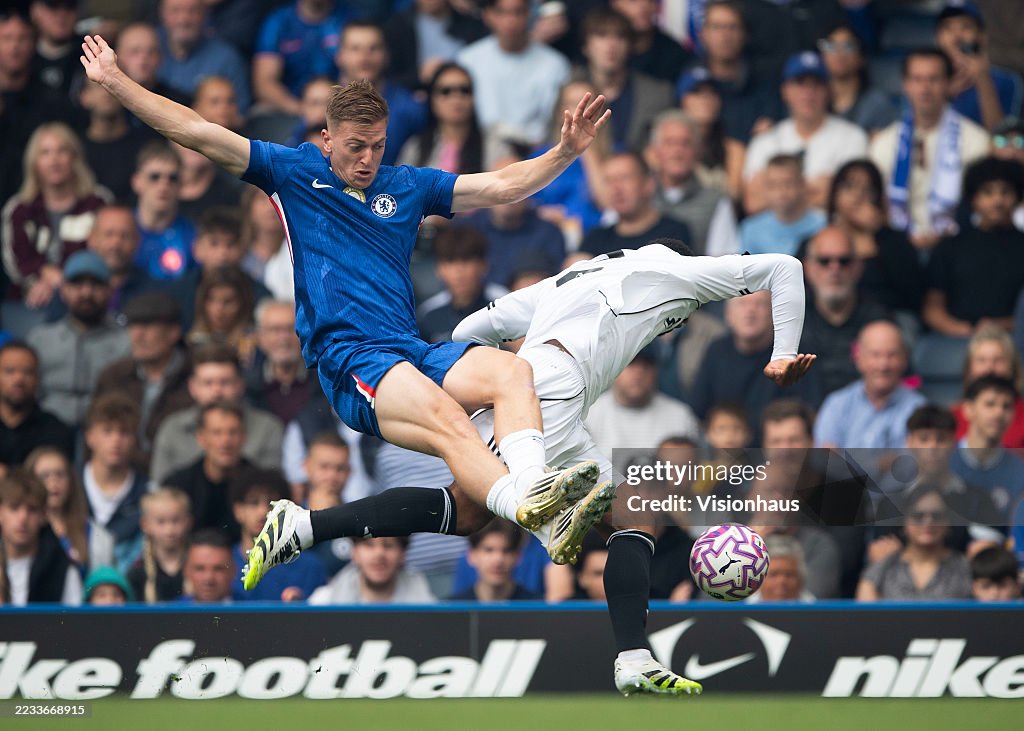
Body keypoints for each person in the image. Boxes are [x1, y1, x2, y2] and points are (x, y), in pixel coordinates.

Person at [82, 30, 611, 538]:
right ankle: (532, 510)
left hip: (410, 350)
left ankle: (537, 490)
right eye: (356, 146)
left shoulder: (408, 185)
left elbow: (500, 185)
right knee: (452, 420)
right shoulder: (291, 173)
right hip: (350, 359)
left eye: (378, 146)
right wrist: (115, 81)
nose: (367, 160)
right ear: (326, 138)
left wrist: (564, 153)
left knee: (513, 373)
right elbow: (195, 131)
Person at [248, 241, 816, 695]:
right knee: (489, 510)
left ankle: (632, 654)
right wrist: (782, 352)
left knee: (620, 525)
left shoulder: (566, 281)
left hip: (538, 390)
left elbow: (470, 329)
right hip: (554, 390)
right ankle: (545, 528)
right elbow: (784, 268)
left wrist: (487, 390)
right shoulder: (674, 271)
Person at [869, 48, 991, 250]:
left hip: (959, 244)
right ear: (906, 85)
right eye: (917, 79)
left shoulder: (976, 140)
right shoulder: (884, 143)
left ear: (948, 84)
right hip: (898, 245)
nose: (925, 88)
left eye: (933, 79)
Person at [1, 122, 110, 337]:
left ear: (74, 158)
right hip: (30, 299)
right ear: (34, 162)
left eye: (62, 151)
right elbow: (15, 259)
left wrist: (64, 280)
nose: (54, 160)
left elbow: (105, 252)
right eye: (45, 152)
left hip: (88, 297)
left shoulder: (98, 202)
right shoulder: (19, 209)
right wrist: (41, 274)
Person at [742, 51, 867, 214]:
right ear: (785, 91)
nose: (808, 93)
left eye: (816, 84)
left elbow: (854, 203)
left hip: (831, 233)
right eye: (800, 83)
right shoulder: (765, 141)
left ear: (828, 91)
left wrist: (778, 191)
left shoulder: (853, 138)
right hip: (775, 237)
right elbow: (753, 202)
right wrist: (819, 189)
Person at [689, 290, 821, 432]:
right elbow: (699, 413)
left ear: (775, 313)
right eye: (742, 303)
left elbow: (811, 415)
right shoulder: (716, 351)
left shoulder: (794, 354)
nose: (750, 311)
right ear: (728, 314)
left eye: (759, 304)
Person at [149, 344, 282, 483]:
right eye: (208, 383)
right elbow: (159, 488)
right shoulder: (172, 428)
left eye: (225, 382)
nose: (217, 391)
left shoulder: (268, 428)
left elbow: (273, 490)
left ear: (240, 385)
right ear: (192, 387)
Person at [26, 251, 131, 427]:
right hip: (46, 429)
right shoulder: (40, 339)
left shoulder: (126, 341)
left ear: (110, 291)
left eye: (96, 284)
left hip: (106, 430)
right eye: (77, 284)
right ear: (63, 290)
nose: (86, 292)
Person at [924, 156, 1024, 337]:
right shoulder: (949, 247)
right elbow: (932, 307)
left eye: (1006, 192)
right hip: (956, 339)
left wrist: (999, 327)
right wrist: (966, 331)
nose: (998, 201)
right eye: (988, 192)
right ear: (973, 199)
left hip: (1016, 338)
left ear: (1017, 196)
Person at [94, 291, 191, 471]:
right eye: (133, 326)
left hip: (177, 476)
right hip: (120, 475)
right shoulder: (114, 376)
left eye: (147, 326)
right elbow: (95, 433)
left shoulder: (196, 378)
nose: (138, 335)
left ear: (173, 332)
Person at [456, 0, 570, 147]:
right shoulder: (468, 60)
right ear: (487, 15)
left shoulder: (556, 65)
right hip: (479, 151)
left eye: (518, 12)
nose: (511, 20)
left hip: (536, 152)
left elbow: (555, 124)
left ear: (529, 14)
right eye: (502, 12)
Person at [821, 160, 924, 318]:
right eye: (849, 186)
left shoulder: (893, 241)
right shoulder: (819, 240)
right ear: (835, 194)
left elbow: (913, 296)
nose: (858, 195)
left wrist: (872, 236)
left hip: (889, 319)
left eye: (867, 190)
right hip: (831, 321)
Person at [799, 226, 891, 397]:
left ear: (858, 267)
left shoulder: (879, 321)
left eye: (844, 261)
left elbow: (909, 382)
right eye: (824, 261)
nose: (835, 269)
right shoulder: (791, 321)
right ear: (808, 268)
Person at [574, 6, 674, 153]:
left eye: (620, 36)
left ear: (630, 46)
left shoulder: (659, 95)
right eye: (601, 35)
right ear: (585, 46)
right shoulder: (570, 91)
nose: (611, 45)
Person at [814, 320, 926, 449]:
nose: (883, 365)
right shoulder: (836, 405)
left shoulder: (919, 409)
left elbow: (912, 465)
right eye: (875, 355)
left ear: (905, 359)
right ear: (858, 358)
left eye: (892, 355)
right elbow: (825, 461)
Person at [856, 485, 973, 601]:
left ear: (948, 523)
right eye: (918, 516)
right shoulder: (882, 569)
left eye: (936, 516)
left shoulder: (966, 569)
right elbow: (866, 615)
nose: (928, 522)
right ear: (903, 523)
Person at [646, 110, 739, 256]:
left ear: (698, 151)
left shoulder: (716, 201)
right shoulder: (639, 195)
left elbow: (723, 262)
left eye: (686, 143)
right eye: (670, 143)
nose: (678, 151)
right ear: (655, 151)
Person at [334, 20, 426, 167]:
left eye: (373, 48)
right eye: (355, 48)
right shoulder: (321, 104)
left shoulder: (410, 108)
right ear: (339, 57)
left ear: (386, 56)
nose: (365, 56)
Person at [229, 467, 325, 601]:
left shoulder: (310, 567)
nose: (262, 512)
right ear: (238, 510)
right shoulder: (220, 564)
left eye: (272, 504)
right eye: (253, 503)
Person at [397, 62, 512, 174]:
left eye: (464, 90)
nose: (456, 97)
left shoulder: (494, 146)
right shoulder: (416, 148)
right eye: (446, 91)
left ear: (473, 98)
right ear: (432, 100)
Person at [586, 345, 701, 455]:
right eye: (630, 363)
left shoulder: (680, 417)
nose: (638, 373)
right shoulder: (589, 416)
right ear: (612, 369)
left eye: (646, 365)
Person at [163, 401, 253, 541]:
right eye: (217, 433)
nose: (226, 441)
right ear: (201, 438)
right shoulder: (178, 485)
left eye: (233, 432)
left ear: (244, 437)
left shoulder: (260, 486)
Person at [81, 393, 148, 571]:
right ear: (90, 437)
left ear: (135, 440)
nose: (116, 440)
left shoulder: (148, 495)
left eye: (124, 432)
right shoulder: (70, 489)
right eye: (107, 431)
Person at [579, 152, 692, 256]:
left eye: (624, 178)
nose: (616, 188)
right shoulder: (595, 239)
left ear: (648, 184)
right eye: (609, 181)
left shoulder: (674, 234)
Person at [934, 0, 1022, 131]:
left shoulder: (1007, 81)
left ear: (982, 36)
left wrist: (983, 80)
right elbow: (918, 131)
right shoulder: (926, 78)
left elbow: (1000, 136)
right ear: (938, 37)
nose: (956, 36)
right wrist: (945, 94)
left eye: (966, 27)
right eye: (948, 28)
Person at [252, 0, 351, 116]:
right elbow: (264, 83)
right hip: (289, 106)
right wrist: (301, 109)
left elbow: (361, 71)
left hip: (341, 104)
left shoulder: (349, 19)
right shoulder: (278, 21)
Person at [26, 445, 115, 572]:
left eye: (60, 474)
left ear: (71, 481)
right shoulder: (16, 532)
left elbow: (102, 586)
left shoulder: (98, 537)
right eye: (44, 476)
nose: (53, 482)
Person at [0, 468, 82, 605]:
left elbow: (74, 623)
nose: (23, 518)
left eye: (32, 509)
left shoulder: (62, 570)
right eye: (14, 508)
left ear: (44, 515)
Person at [418, 227, 507, 344]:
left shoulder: (504, 304)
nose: (458, 272)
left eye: (466, 261)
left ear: (483, 265)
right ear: (439, 269)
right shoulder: (428, 314)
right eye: (450, 262)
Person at [156, 0, 250, 111]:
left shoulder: (226, 58)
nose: (184, 19)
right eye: (175, 10)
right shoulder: (146, 46)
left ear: (205, 15)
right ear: (162, 14)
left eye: (193, 11)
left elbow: (240, 114)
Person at [384, 0, 487, 93]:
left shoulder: (471, 24)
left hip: (465, 92)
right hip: (417, 94)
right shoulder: (397, 27)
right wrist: (418, 75)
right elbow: (389, 78)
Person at [80, 79, 157, 203]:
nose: (106, 92)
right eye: (98, 86)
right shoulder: (75, 149)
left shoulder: (147, 146)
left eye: (113, 85)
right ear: (84, 96)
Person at [0, 342, 74, 468]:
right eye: (9, 371)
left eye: (27, 372)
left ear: (38, 378)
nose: (18, 379)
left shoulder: (56, 431)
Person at [245, 299, 316, 427]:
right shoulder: (246, 385)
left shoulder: (323, 382)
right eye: (275, 330)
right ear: (260, 336)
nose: (284, 338)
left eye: (291, 329)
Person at [131, 140, 195, 281]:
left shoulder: (193, 237)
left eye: (173, 178)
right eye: (154, 177)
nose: (164, 185)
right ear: (136, 182)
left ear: (181, 185)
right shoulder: (120, 231)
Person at [817, 23, 898, 135]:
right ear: (822, 57)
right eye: (831, 46)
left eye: (848, 46)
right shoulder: (812, 99)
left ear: (862, 57)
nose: (839, 54)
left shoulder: (877, 103)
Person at [308, 535, 437, 604]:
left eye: (388, 545)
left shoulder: (429, 607)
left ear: (402, 554)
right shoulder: (322, 602)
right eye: (369, 545)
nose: (379, 554)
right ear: (354, 552)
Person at [951, 326, 1024, 447]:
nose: (989, 368)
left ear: (1013, 367)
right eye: (981, 360)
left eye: (999, 360)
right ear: (969, 369)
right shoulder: (951, 417)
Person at [739, 154, 826, 256]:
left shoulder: (823, 224)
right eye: (773, 184)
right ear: (765, 188)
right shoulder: (750, 229)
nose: (781, 191)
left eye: (788, 183)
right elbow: (747, 269)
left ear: (802, 184)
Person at [83, 205, 156, 318]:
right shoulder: (74, 287)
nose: (115, 244)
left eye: (125, 236)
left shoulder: (153, 292)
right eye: (108, 234)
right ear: (91, 238)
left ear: (137, 241)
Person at [126, 487, 191, 603]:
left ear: (188, 522)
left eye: (176, 520)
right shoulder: (137, 572)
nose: (169, 530)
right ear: (145, 525)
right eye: (161, 522)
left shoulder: (198, 567)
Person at [449, 518, 539, 600]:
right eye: (488, 550)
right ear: (471, 555)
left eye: (506, 551)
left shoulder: (538, 609)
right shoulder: (450, 611)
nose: (498, 559)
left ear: (518, 556)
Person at [610, 0, 690, 84]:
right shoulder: (599, 51)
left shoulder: (675, 54)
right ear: (615, 4)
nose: (644, 6)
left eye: (650, 1)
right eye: (633, 1)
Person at [745, 534, 815, 603]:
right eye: (774, 574)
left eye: (789, 575)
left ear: (800, 580)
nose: (781, 581)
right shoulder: (742, 609)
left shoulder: (815, 610)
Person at [178, 528, 234, 604]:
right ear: (186, 571)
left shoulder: (250, 610)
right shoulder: (169, 613)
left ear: (233, 570)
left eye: (218, 569)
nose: (208, 578)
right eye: (200, 569)